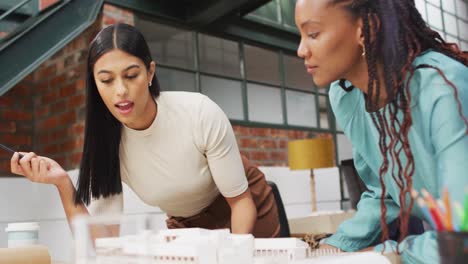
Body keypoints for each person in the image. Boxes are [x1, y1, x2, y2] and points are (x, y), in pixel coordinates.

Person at [10, 23, 280, 239]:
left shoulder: (199, 112)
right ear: (95, 83)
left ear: (150, 73)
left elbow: (240, 202)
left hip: (245, 210)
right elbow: (101, 240)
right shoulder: (106, 145)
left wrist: (234, 255)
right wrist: (62, 182)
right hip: (186, 227)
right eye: (106, 80)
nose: (121, 91)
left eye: (131, 75)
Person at [295, 0, 467, 263]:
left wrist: (389, 254)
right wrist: (333, 249)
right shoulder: (345, 97)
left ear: (366, 28)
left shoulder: (443, 88)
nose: (300, 50)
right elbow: (383, 190)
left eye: (313, 34)